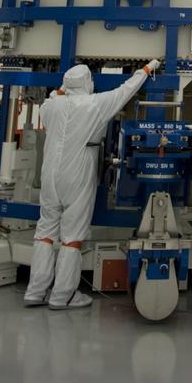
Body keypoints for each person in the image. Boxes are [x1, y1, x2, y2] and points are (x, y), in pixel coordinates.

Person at [24, 59, 158, 309]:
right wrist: (147, 69)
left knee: (45, 232)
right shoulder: (94, 104)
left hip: (50, 175)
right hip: (77, 175)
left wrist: (63, 87)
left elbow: (55, 95)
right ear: (87, 82)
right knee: (72, 237)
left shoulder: (50, 107)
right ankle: (63, 295)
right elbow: (125, 91)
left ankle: (35, 291)